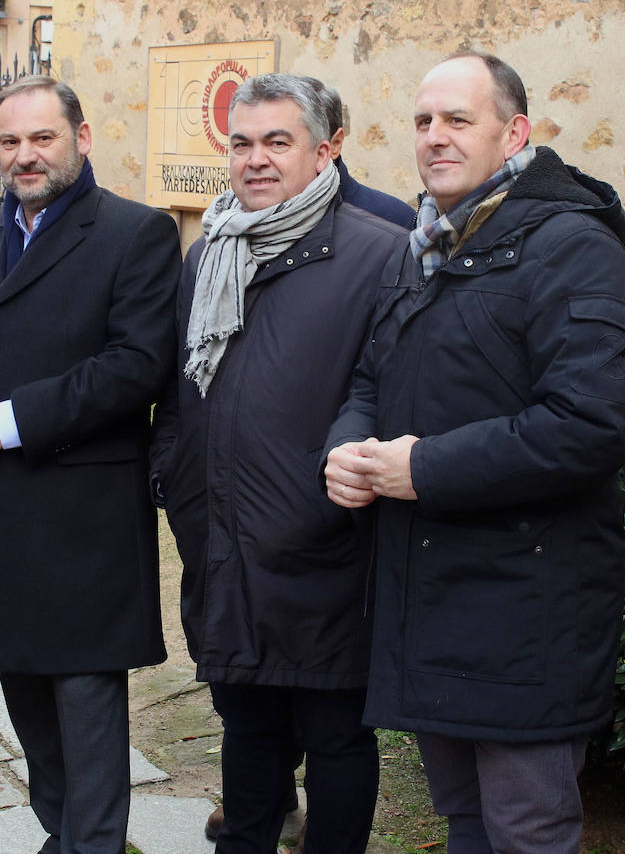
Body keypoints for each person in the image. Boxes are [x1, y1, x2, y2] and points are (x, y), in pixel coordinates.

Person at [324, 52, 625, 853]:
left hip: (525, 610)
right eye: (424, 121)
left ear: (515, 134)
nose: (435, 138)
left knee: (526, 828)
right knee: (464, 819)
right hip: (429, 597)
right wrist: (347, 447)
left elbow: (592, 422)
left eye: (457, 120)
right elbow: (372, 375)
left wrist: (424, 468)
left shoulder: (574, 248)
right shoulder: (426, 245)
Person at [0, 76, 180, 854]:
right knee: (27, 709)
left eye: (42, 138)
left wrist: (5, 421)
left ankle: (89, 842)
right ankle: (62, 837)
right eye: (10, 141)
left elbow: (135, 367)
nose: (25, 156)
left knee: (88, 720)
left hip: (80, 526)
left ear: (82, 139)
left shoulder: (137, 232)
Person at [151, 74, 402, 854]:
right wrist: (176, 476)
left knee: (335, 739)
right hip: (223, 548)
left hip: (327, 552)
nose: (255, 159)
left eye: (277, 141)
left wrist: (327, 499)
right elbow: (181, 392)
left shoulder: (379, 253)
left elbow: (390, 397)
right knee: (247, 733)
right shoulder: (207, 254)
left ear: (325, 151)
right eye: (241, 142)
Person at [304, 78, 417, 230]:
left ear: (335, 144)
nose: (261, 159)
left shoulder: (395, 220)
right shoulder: (262, 213)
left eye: (280, 143)